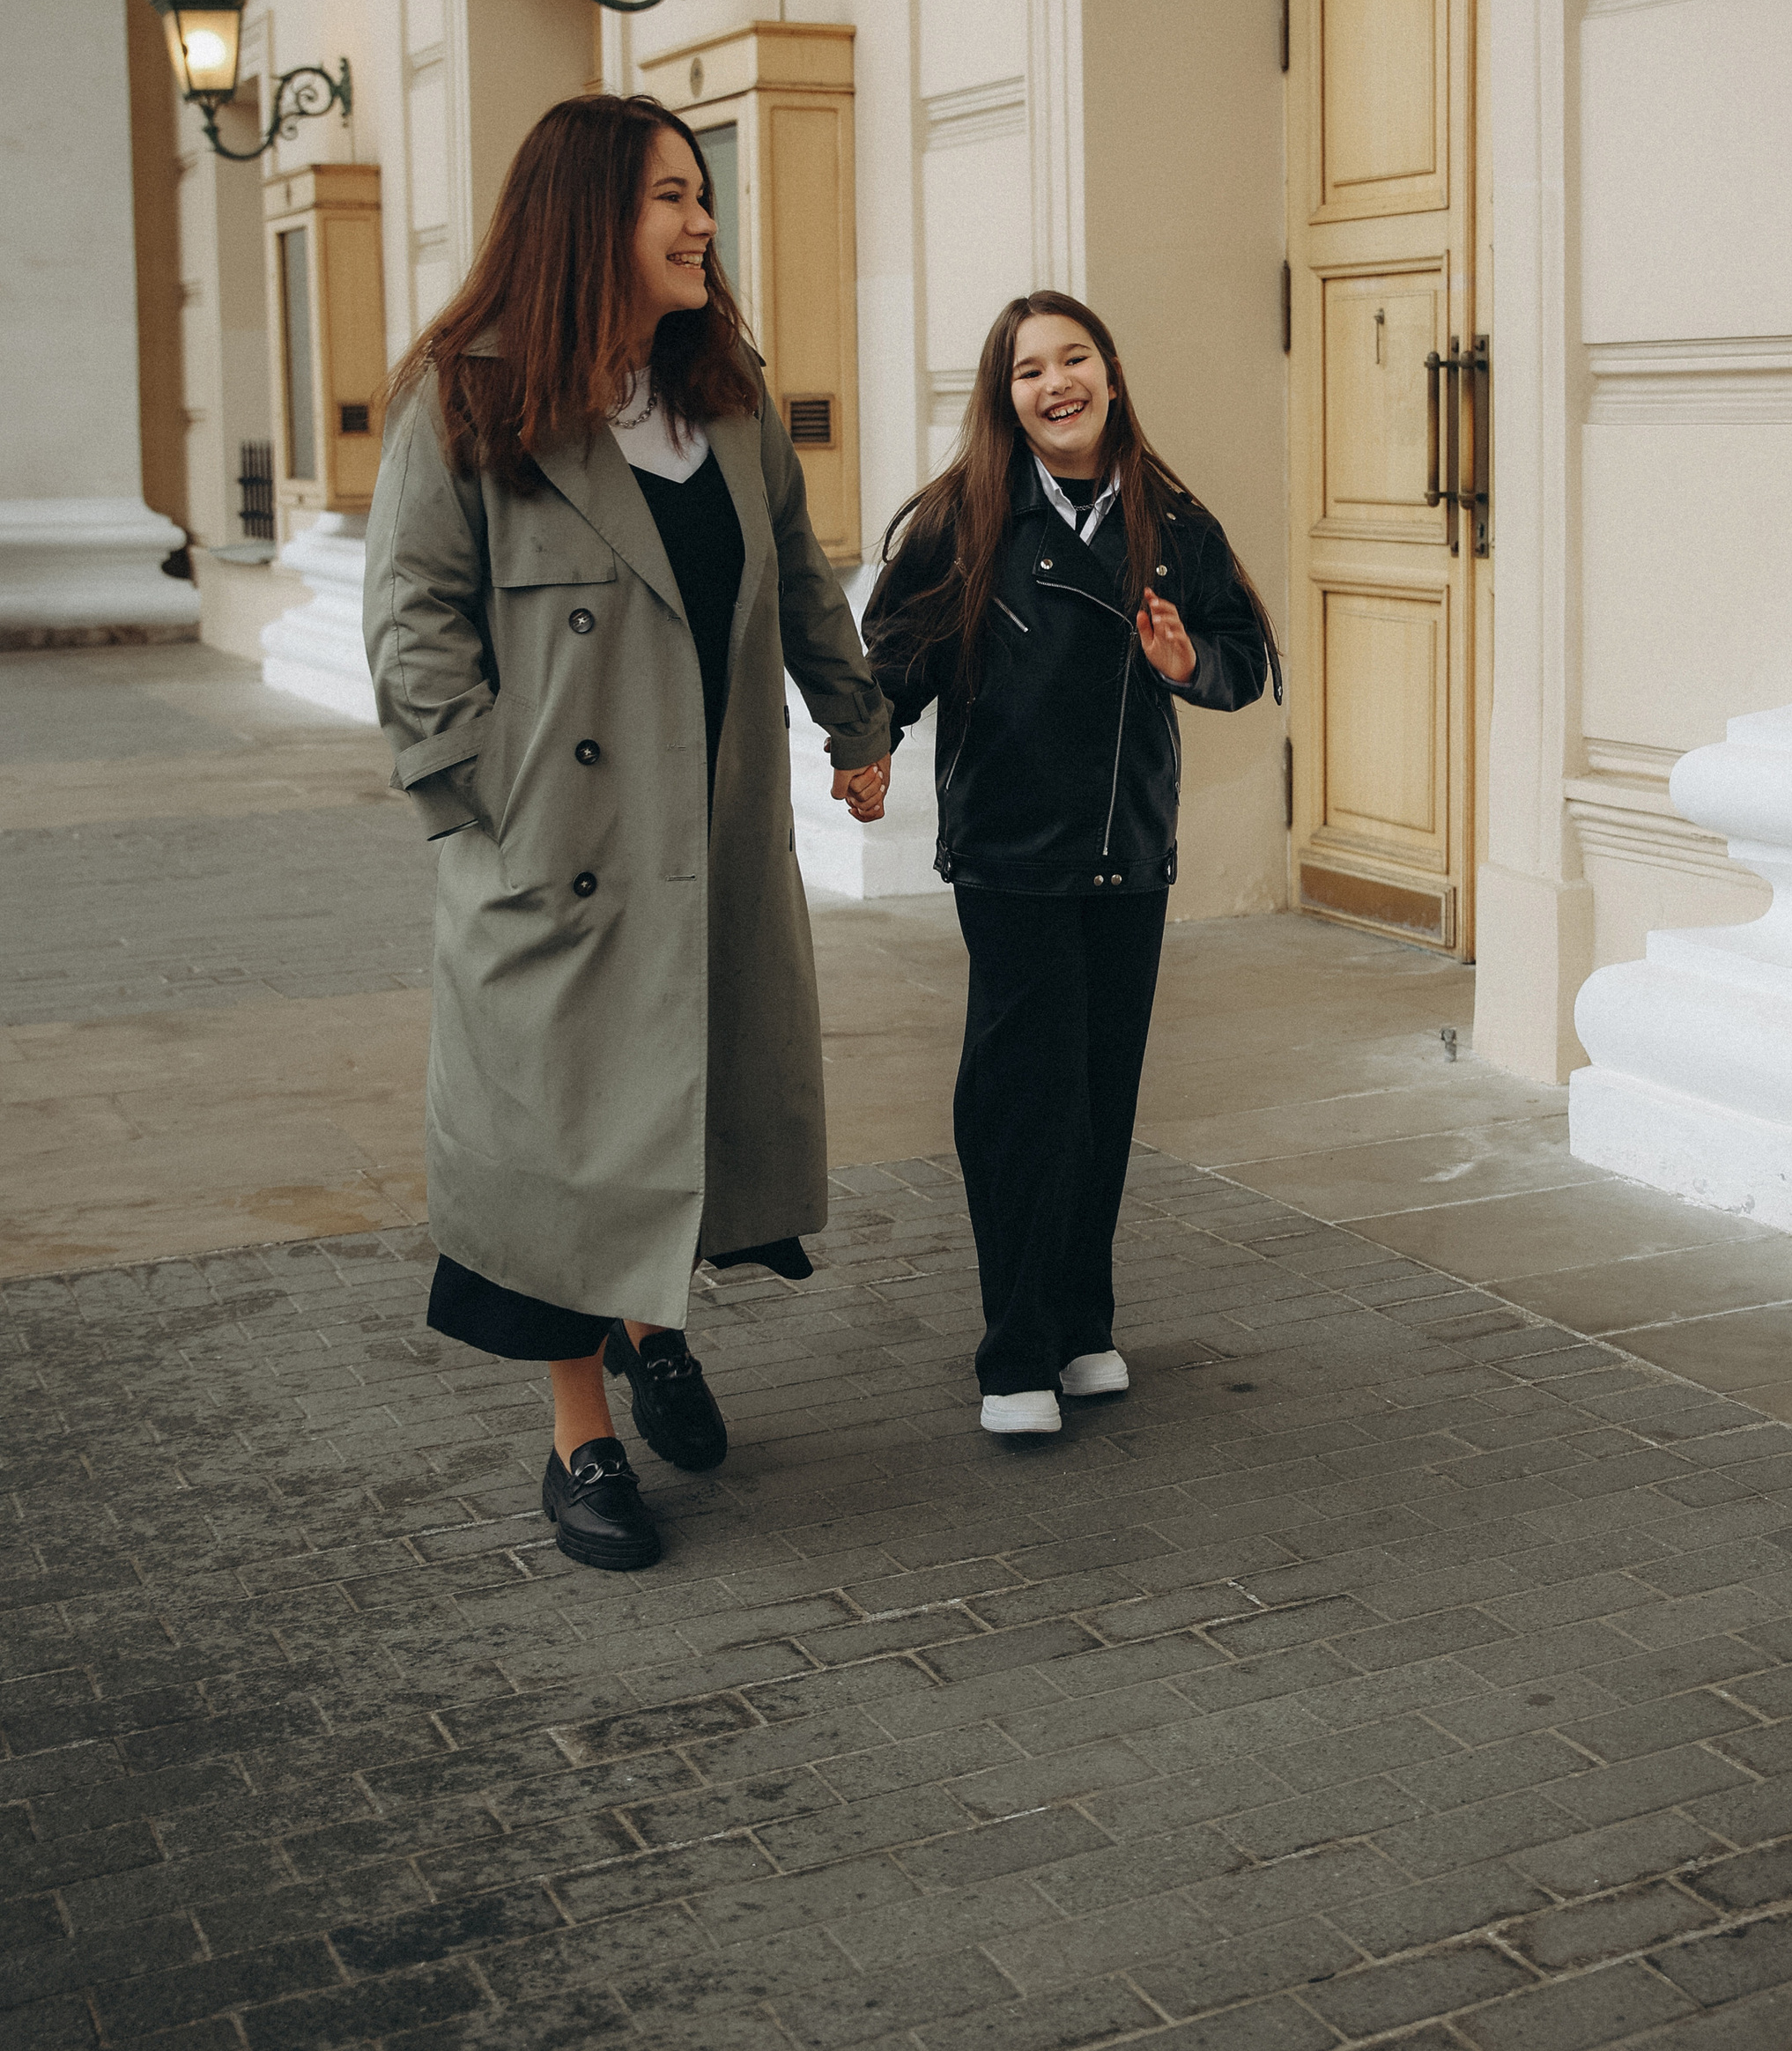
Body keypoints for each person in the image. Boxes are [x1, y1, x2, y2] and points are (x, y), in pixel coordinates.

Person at [364, 93, 892, 1573]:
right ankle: (577, 1439)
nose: (701, 222)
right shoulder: (467, 404)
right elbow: (412, 632)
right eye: (671, 195)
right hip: (558, 858)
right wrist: (495, 809)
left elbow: (798, 573)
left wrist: (855, 727)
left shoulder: (722, 396)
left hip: (707, 845)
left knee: (680, 1107)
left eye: (702, 196)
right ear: (590, 216)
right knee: (558, 1152)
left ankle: (662, 1331)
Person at [863, 292, 1277, 1438]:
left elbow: (1247, 657)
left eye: (1076, 358)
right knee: (1021, 1103)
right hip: (1008, 857)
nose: (1058, 383)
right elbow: (891, 660)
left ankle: (1084, 1323)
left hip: (1128, 854)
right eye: (1029, 368)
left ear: (1109, 370)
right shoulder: (961, 518)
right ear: (1004, 396)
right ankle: (1014, 1353)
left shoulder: (1172, 518)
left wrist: (1192, 660)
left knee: (1099, 1097)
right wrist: (866, 752)